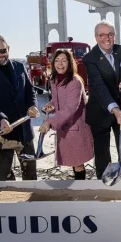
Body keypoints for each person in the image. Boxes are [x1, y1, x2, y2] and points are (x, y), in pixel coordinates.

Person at [0, 34, 39, 180]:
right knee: (5, 177)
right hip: (1, 132)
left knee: (30, 175)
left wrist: (32, 105)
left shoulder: (19, 66)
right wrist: (1, 119)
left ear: (8, 48)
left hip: (24, 130)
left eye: (2, 51)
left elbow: (30, 90)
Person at [82, 21, 121, 180]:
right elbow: (98, 87)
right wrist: (115, 110)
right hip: (100, 112)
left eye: (110, 34)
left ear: (115, 35)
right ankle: (106, 189)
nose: (107, 38)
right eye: (102, 35)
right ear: (96, 37)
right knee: (102, 154)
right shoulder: (89, 58)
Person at [39, 49, 94, 179]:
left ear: (70, 63)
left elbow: (70, 108)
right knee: (73, 161)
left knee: (78, 162)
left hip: (76, 126)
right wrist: (51, 104)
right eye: (57, 60)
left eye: (64, 60)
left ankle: (81, 190)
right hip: (64, 125)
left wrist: (49, 122)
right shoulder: (54, 80)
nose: (60, 64)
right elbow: (59, 98)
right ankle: (78, 186)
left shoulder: (75, 81)